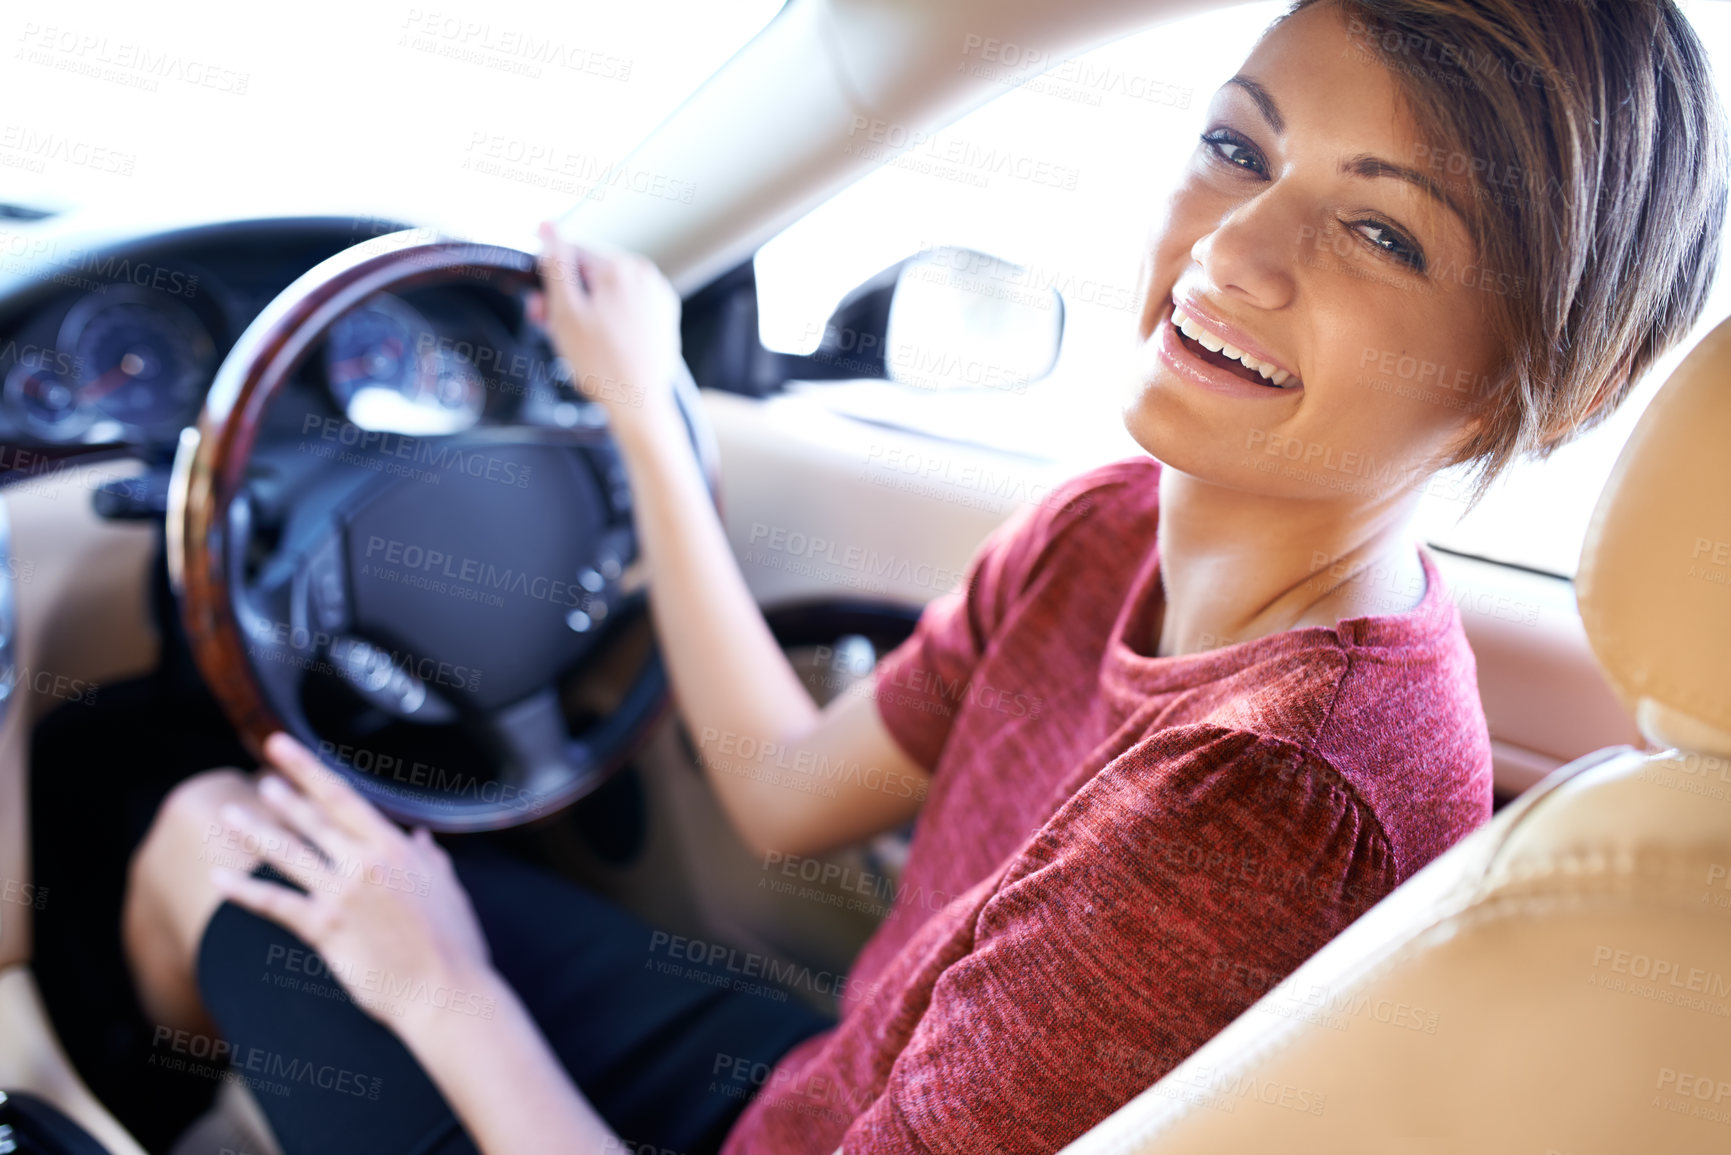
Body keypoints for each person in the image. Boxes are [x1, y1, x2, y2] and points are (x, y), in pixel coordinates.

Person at [120, 0, 1729, 1152]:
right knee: (222, 834)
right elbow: (780, 789)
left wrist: (447, 997)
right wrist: (644, 413)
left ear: (1554, 382)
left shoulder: (1272, 808)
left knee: (215, 860)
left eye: (1384, 237)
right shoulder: (1108, 527)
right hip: (820, 1090)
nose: (1235, 252)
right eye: (1242, 145)